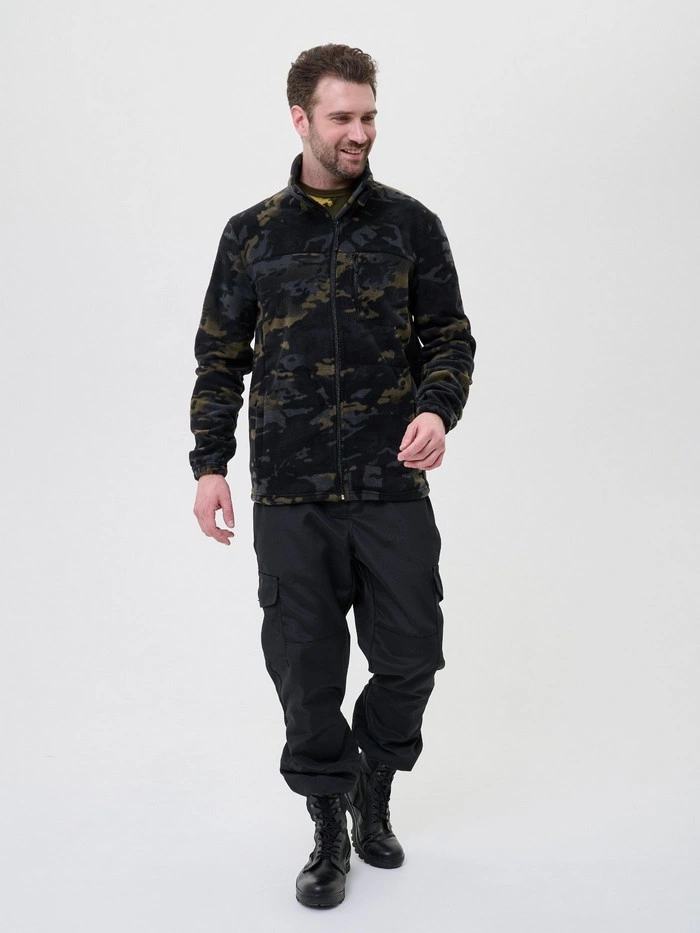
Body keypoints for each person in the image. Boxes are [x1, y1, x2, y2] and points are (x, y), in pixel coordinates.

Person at [189, 43, 476, 909]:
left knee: (413, 656)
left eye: (369, 116)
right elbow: (219, 359)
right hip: (291, 493)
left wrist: (437, 409)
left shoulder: (411, 226)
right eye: (343, 117)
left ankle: (371, 787)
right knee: (305, 670)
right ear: (301, 119)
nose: (360, 132)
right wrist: (210, 465)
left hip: (391, 485)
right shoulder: (252, 233)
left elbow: (450, 337)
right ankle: (326, 824)